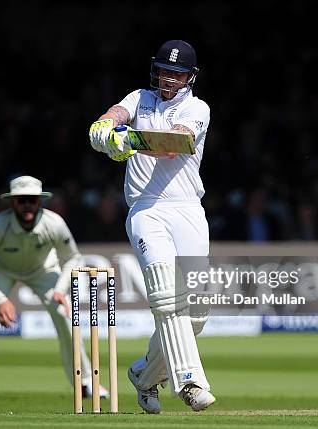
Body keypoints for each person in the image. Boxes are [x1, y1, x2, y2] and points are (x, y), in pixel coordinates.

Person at [88, 40, 215, 413]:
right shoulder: (140, 97)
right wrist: (104, 128)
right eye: (163, 70)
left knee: (197, 314)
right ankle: (190, 382)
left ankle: (143, 376)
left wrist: (126, 141)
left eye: (175, 73)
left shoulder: (197, 109)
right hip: (146, 209)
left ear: (190, 77)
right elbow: (114, 114)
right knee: (164, 295)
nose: (167, 78)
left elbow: (174, 144)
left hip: (188, 209)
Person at [0, 176, 107, 400]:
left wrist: (60, 289)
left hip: (43, 270)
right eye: (22, 200)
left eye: (32, 200)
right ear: (12, 203)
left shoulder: (54, 223)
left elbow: (73, 258)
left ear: (40, 202)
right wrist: (0, 299)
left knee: (63, 315)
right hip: (2, 270)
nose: (27, 205)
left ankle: (86, 382)